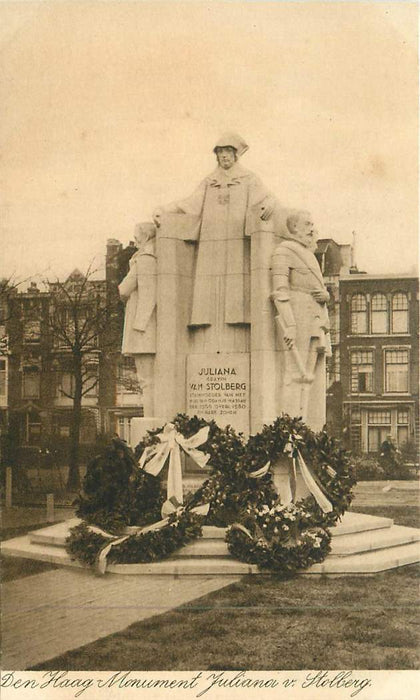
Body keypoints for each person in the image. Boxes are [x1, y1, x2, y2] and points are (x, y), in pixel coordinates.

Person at [153, 133, 277, 348]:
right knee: (207, 292)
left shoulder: (249, 179)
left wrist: (271, 204)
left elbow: (268, 198)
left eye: (227, 152)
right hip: (210, 244)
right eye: (220, 152)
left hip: (238, 243)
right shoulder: (209, 182)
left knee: (236, 290)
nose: (224, 156)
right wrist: (164, 209)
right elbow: (189, 203)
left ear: (235, 154)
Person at [271, 211, 332, 431]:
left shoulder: (309, 254)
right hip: (297, 315)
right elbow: (279, 290)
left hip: (315, 319)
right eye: (307, 223)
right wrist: (290, 324)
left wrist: (326, 296)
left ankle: (306, 429)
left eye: (312, 223)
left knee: (310, 378)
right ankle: (289, 428)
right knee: (295, 374)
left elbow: (319, 289)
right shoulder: (283, 251)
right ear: (293, 227)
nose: (312, 228)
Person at [118, 222, 157, 415]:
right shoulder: (146, 257)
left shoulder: (145, 258)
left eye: (136, 235)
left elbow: (126, 288)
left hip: (143, 329)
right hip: (145, 327)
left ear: (145, 236)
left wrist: (139, 325)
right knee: (147, 379)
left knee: (146, 379)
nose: (135, 239)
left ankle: (151, 417)